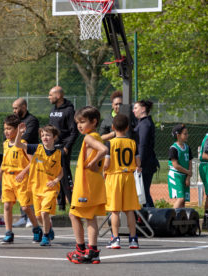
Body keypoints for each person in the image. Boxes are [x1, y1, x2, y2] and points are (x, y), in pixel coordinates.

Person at [67, 106, 108, 264]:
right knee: (90, 218)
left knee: (73, 214)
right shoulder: (97, 136)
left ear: (94, 122)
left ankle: (80, 249)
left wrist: (91, 162)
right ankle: (93, 252)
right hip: (95, 182)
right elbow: (103, 147)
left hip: (87, 184)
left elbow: (104, 150)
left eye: (83, 122)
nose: (79, 125)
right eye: (78, 122)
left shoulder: (89, 137)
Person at [0, 115, 42, 244]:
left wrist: (23, 172)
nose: (6, 131)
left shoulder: (23, 144)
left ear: (17, 129)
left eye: (9, 128)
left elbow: (32, 162)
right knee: (7, 205)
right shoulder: (5, 144)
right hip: (7, 178)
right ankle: (8, 233)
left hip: (21, 179)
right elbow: (5, 161)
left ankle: (36, 228)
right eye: (5, 129)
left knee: (26, 207)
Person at [15, 124, 63, 247]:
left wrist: (56, 180)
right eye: (42, 135)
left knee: (44, 213)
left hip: (50, 188)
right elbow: (18, 145)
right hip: (36, 188)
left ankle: (46, 236)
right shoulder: (36, 148)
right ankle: (49, 228)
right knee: (38, 216)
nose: (44, 137)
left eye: (47, 135)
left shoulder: (59, 153)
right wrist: (19, 134)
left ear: (54, 137)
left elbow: (61, 171)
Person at [104, 114, 141, 249]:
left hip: (114, 177)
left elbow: (107, 163)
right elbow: (138, 162)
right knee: (129, 210)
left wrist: (103, 171)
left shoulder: (110, 143)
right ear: (127, 128)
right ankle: (133, 239)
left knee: (114, 211)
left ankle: (115, 238)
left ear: (113, 127)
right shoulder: (132, 143)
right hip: (128, 177)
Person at [48, 86, 78, 211]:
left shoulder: (69, 110)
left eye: (50, 95)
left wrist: (66, 147)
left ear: (58, 95)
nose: (48, 97)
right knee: (55, 175)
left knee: (65, 176)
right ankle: (61, 205)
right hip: (53, 147)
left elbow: (74, 132)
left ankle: (72, 204)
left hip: (63, 148)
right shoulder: (53, 109)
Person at [12, 98, 39, 228]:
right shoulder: (16, 121)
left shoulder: (32, 120)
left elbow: (25, 138)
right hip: (19, 157)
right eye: (13, 108)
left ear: (24, 107)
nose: (14, 111)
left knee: (29, 188)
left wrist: (17, 136)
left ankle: (31, 217)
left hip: (30, 155)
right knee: (22, 189)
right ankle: (23, 216)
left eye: (16, 108)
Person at [133, 100, 159, 207]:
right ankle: (147, 217)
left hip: (146, 164)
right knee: (143, 193)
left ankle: (151, 217)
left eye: (136, 108)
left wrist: (140, 164)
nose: (133, 110)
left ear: (143, 109)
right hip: (147, 163)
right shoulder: (143, 122)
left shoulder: (145, 124)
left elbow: (142, 145)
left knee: (143, 194)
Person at [167, 124, 193, 209]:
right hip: (176, 175)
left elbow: (190, 162)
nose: (187, 135)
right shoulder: (173, 148)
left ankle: (180, 221)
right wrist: (188, 172)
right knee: (180, 199)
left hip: (185, 176)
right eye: (185, 134)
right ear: (178, 135)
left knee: (183, 201)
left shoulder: (187, 147)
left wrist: (188, 177)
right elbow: (175, 165)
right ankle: (171, 218)